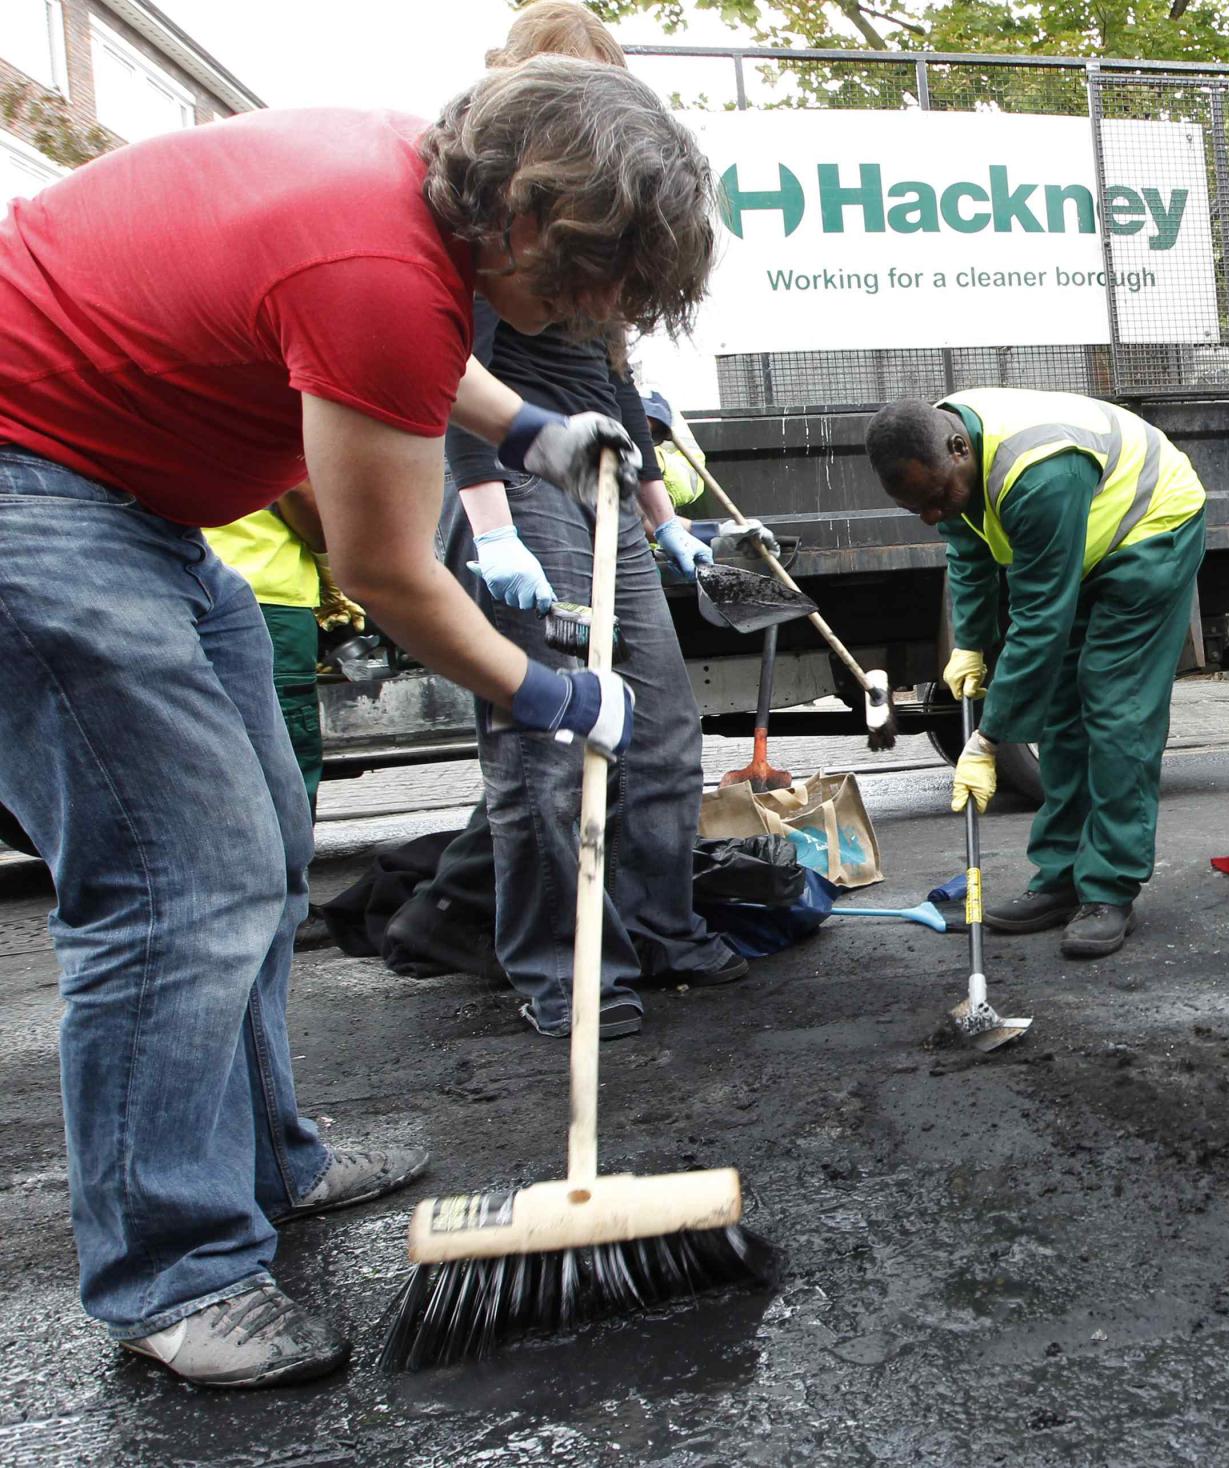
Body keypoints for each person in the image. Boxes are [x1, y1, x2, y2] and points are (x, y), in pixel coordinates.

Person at [0, 56, 712, 1386]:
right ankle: (171, 1272)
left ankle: (265, 1160)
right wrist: (553, 694)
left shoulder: (429, 191)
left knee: (262, 843)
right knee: (178, 881)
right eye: (593, 276)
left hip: (133, 505)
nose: (599, 308)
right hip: (33, 494)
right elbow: (383, 570)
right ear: (528, 214)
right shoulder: (377, 260)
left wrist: (532, 431)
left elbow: (408, 347)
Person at [441, 1, 752, 1041]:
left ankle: (663, 929)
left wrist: (663, 517)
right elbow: (443, 372)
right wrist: (491, 526)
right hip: (515, 473)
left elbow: (614, 379)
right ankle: (568, 968)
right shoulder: (492, 199)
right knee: (550, 735)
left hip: (600, 472)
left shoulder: (605, 207)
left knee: (657, 719)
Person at [865, 389, 1206, 959]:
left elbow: (1039, 620)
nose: (931, 515)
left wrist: (988, 738)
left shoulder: (1038, 471)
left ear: (958, 449)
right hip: (1080, 542)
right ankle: (1062, 878)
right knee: (1062, 716)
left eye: (937, 498)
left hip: (1148, 532)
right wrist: (969, 643)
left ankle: (1109, 889)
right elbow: (969, 550)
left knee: (1115, 710)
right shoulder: (946, 452)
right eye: (917, 508)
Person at [206, 486, 329, 813]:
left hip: (173, 589)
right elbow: (297, 492)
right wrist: (331, 553)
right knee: (279, 748)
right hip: (269, 590)